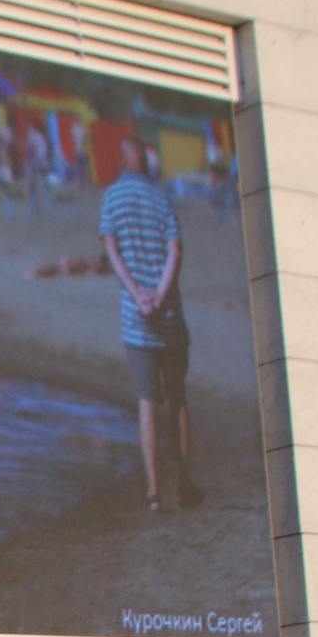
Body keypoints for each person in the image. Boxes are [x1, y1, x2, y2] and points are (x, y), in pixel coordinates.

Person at [99, 132, 201, 512]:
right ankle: (186, 483)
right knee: (178, 400)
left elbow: (111, 249)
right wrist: (159, 293)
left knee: (146, 401)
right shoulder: (161, 198)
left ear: (124, 161)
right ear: (147, 161)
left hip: (136, 318)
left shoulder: (112, 197)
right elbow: (176, 250)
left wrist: (138, 293)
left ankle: (154, 492)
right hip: (169, 315)